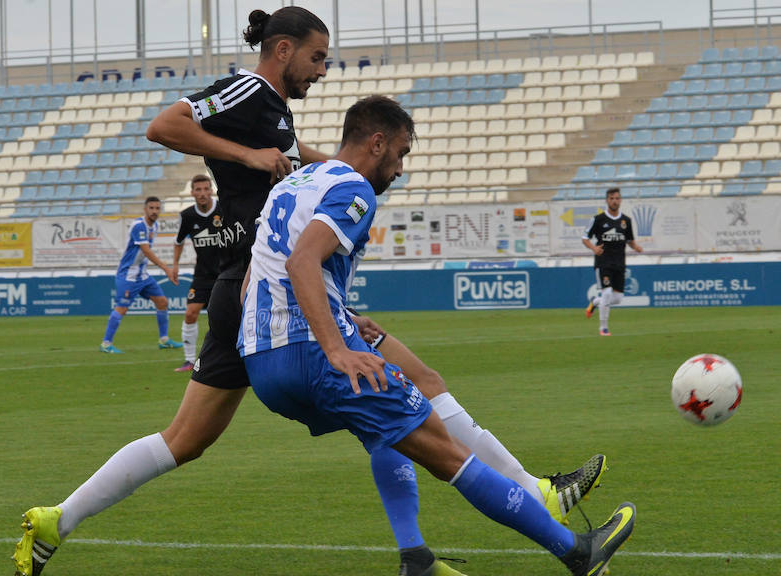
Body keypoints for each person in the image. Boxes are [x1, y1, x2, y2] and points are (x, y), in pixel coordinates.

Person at [12, 7, 602, 576]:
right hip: (265, 288)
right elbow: (163, 126)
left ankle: (57, 520)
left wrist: (349, 166)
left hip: (247, 288)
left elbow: (296, 160)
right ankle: (535, 499)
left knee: (184, 440)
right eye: (317, 58)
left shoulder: (274, 112)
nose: (322, 71)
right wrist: (248, 154)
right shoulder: (247, 92)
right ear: (284, 49)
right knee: (411, 385)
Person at [239, 94, 636, 576]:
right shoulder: (354, 189)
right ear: (378, 142)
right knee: (446, 450)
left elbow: (258, 279)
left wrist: (338, 315)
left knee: (384, 431)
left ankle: (416, 557)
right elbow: (303, 261)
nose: (401, 169)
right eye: (402, 154)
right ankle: (576, 552)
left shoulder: (292, 185)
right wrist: (335, 347)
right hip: (315, 355)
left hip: (262, 360)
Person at [99, 196, 182, 354]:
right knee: (122, 308)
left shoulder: (155, 226)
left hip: (142, 275)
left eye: (157, 208)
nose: (154, 211)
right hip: (128, 276)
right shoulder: (139, 225)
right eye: (151, 208)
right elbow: (145, 250)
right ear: (145, 209)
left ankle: (164, 340)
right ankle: (106, 343)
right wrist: (166, 268)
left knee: (162, 302)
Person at [171, 174, 221, 372]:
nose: (202, 193)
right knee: (191, 313)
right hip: (202, 275)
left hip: (225, 273)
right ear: (192, 192)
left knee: (226, 317)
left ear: (211, 190)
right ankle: (190, 360)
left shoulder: (223, 209)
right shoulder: (187, 216)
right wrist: (174, 265)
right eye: (198, 190)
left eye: (206, 189)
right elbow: (178, 241)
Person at [582, 187, 643, 336]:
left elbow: (629, 240)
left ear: (620, 200)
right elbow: (585, 238)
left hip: (619, 263)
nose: (614, 201)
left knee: (618, 298)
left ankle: (595, 302)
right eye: (611, 198)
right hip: (603, 262)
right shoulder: (598, 219)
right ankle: (603, 328)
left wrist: (636, 247)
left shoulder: (626, 221)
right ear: (607, 200)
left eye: (617, 198)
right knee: (607, 293)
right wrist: (593, 248)